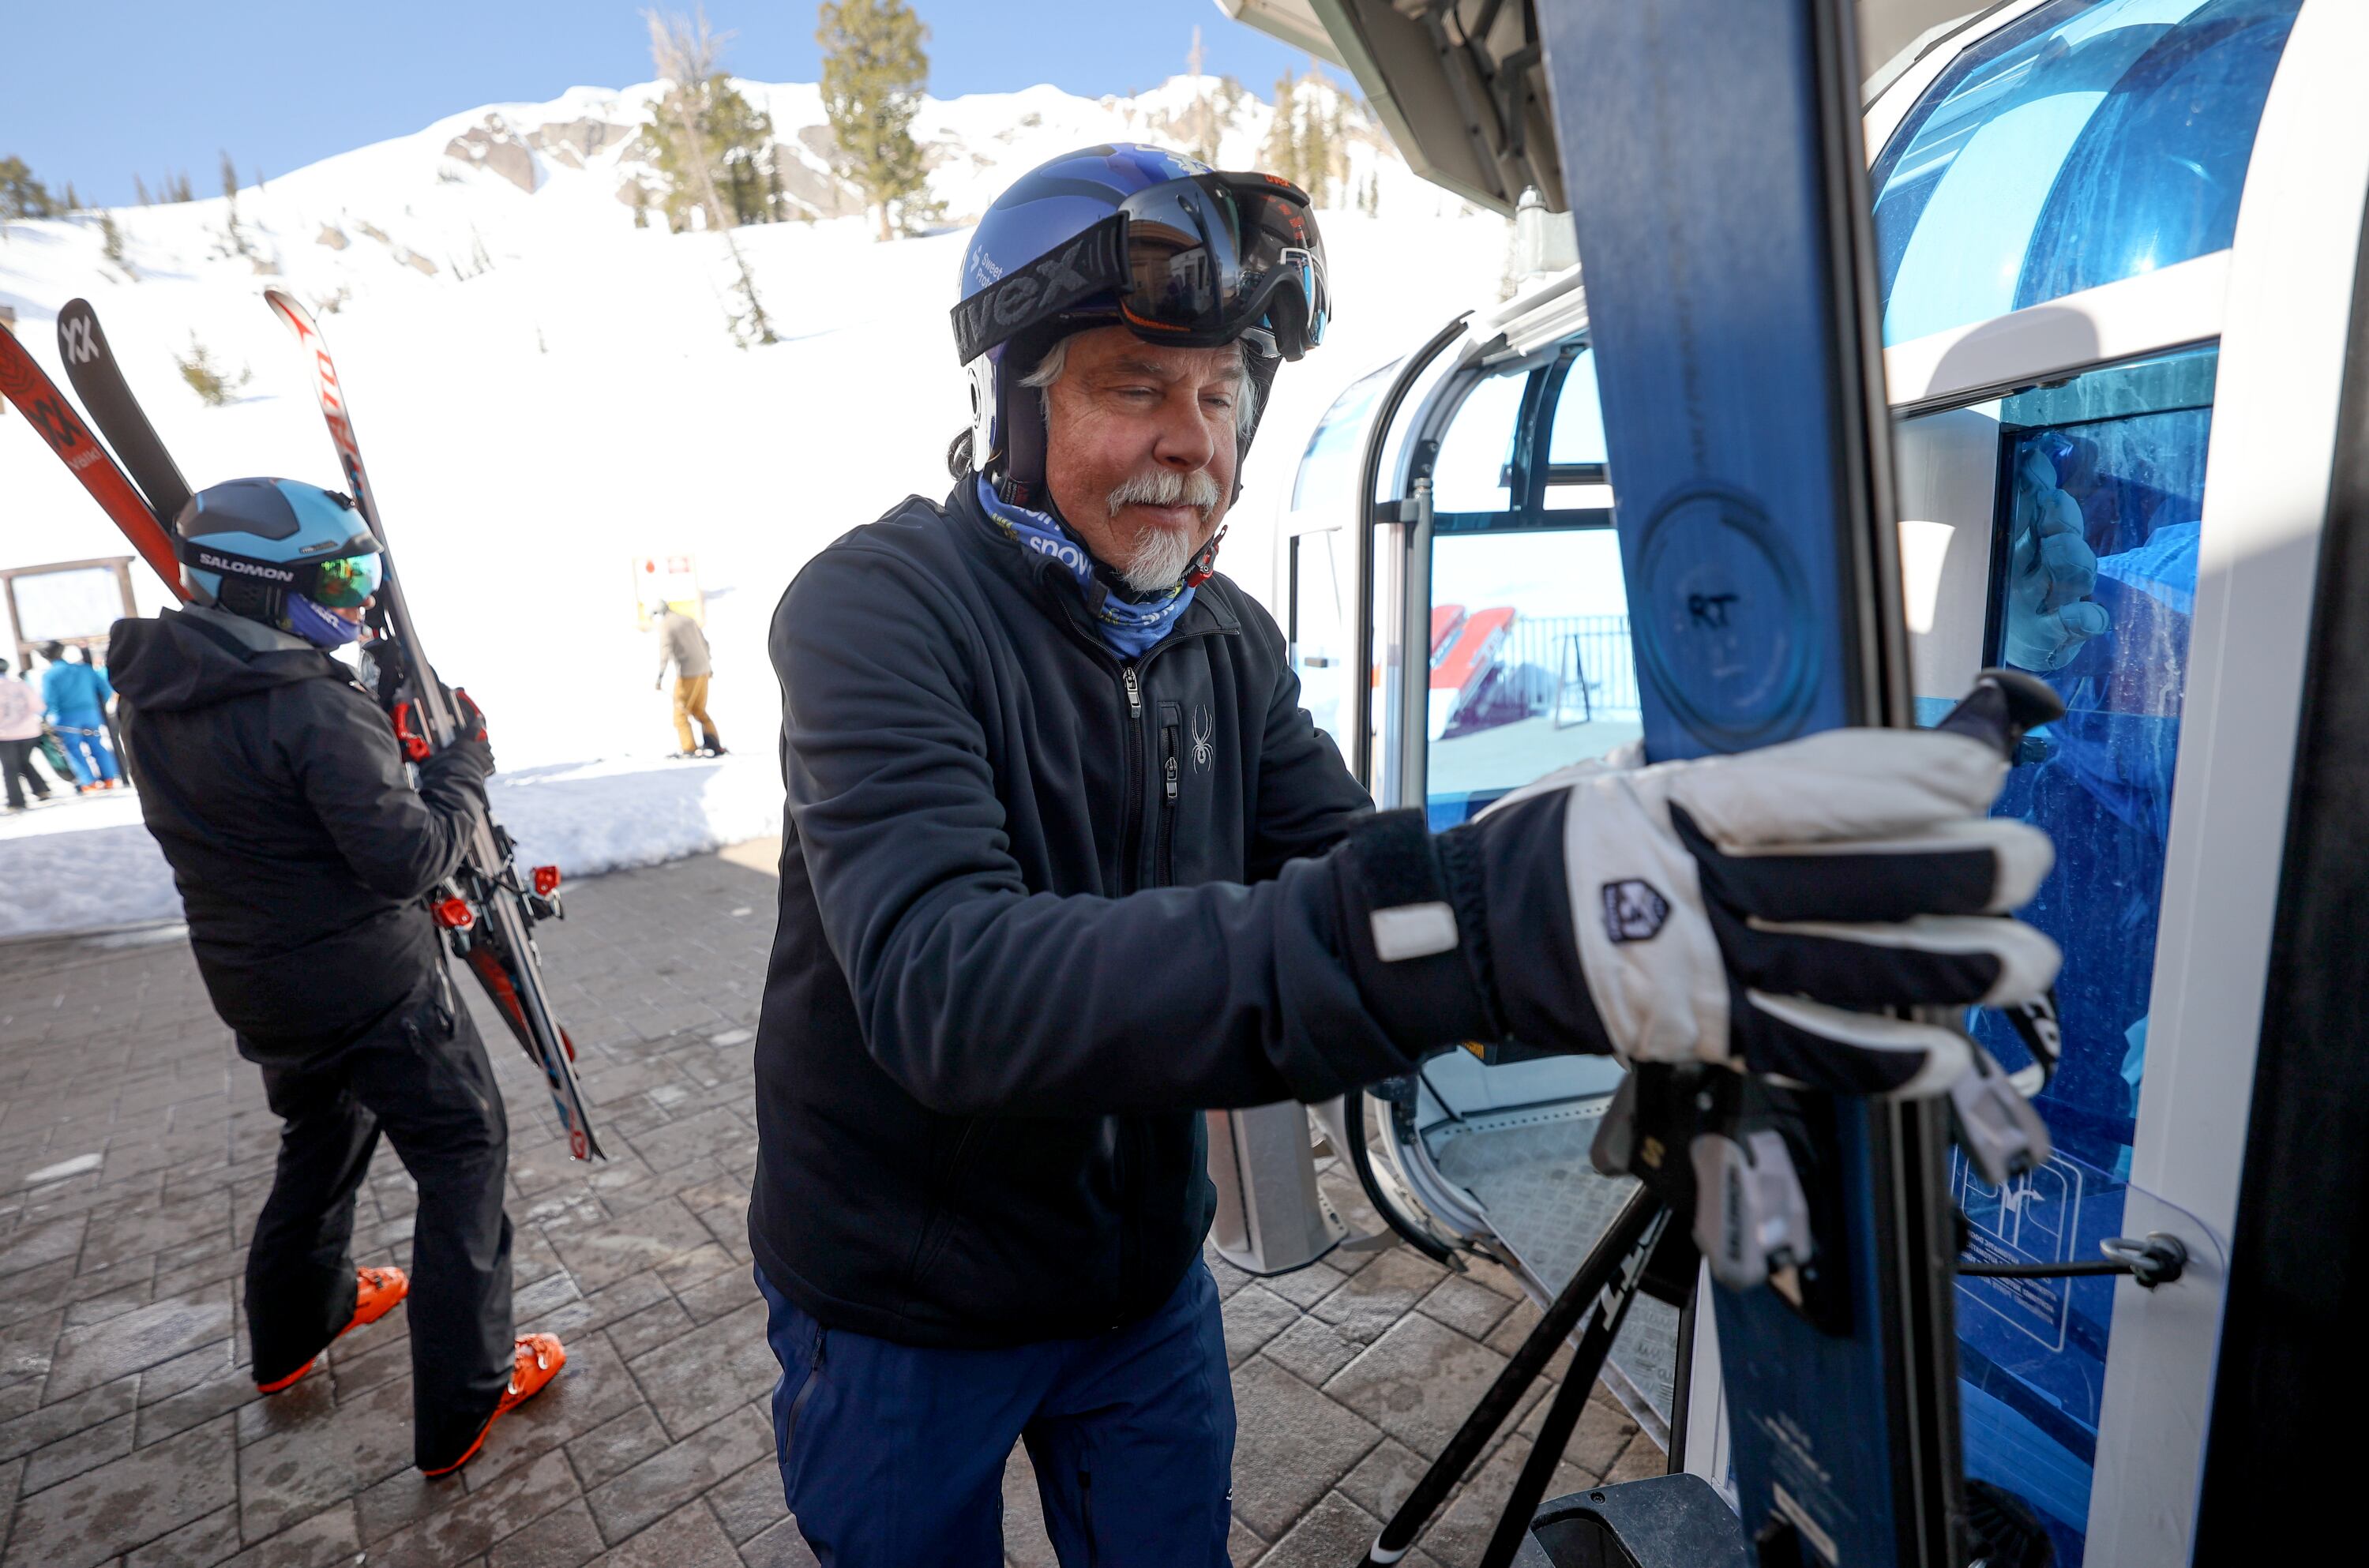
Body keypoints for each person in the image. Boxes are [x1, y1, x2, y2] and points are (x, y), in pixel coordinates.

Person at [747, 144, 2062, 1566]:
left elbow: (1362, 869)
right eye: (1136, 386)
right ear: (1008, 404)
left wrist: (1646, 903)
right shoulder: (878, 613)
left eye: (1222, 393)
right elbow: (952, 988)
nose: (1195, 441)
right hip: (901, 1307)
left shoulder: (1222, 638)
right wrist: (1498, 922)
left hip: (1135, 1287)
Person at [107, 476, 564, 1477]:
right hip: (375, 988)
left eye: (365, 573)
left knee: (320, 1140)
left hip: (260, 986)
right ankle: (466, 1397)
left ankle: (291, 1333)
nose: (358, 599)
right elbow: (406, 858)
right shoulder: (308, 705)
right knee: (462, 1158)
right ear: (266, 587)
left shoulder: (150, 694)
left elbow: (273, 820)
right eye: (341, 576)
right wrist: (459, 769)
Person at [40, 640, 121, 791]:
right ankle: (109, 778)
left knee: (74, 751)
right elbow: (106, 688)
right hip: (91, 713)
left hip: (65, 717)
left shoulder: (50, 675)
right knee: (98, 745)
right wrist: (98, 705)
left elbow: (48, 701)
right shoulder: (84, 669)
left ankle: (89, 783)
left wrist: (42, 717)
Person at [652, 603, 725, 757]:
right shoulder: (687, 619)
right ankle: (714, 743)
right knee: (699, 710)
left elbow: (665, 651)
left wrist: (660, 676)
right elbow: (705, 644)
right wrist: (709, 666)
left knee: (680, 713)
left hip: (688, 674)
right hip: (704, 671)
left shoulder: (666, 625)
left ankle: (689, 748)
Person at [0, 656, 54, 812]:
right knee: (24, 761)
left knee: (10, 768)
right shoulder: (20, 684)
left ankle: (16, 801)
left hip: (5, 734)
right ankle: (41, 789)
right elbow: (38, 706)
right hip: (29, 731)